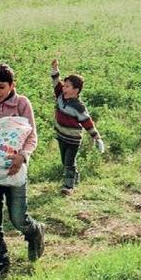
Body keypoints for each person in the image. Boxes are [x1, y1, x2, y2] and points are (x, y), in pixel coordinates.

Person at [0, 63, 46, 280]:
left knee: (17, 218)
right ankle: (1, 265)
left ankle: (35, 231)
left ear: (12, 85)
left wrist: (23, 156)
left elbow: (32, 136)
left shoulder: (22, 104)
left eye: (1, 87)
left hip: (14, 170)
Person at [51, 58, 105, 194]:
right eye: (64, 86)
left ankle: (68, 187)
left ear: (76, 90)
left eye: (67, 87)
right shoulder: (60, 96)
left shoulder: (78, 107)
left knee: (69, 162)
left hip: (73, 139)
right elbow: (56, 81)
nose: (64, 88)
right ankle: (75, 177)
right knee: (65, 161)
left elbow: (87, 122)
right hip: (61, 136)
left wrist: (96, 138)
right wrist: (55, 68)